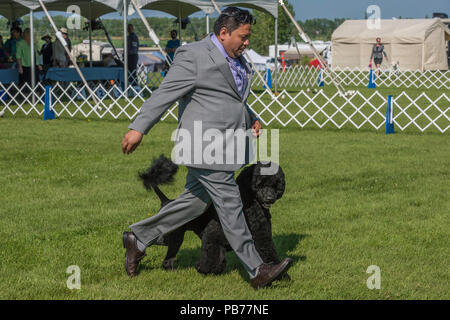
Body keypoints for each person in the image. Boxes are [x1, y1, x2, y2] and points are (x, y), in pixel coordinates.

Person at [121, 7, 293, 289]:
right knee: (230, 203)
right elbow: (165, 92)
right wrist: (139, 127)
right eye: (244, 36)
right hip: (203, 144)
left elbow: (232, 97)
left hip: (227, 144)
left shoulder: (236, 57)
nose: (247, 42)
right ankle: (256, 269)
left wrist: (251, 117)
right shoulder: (193, 56)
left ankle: (137, 238)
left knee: (194, 203)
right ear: (224, 33)